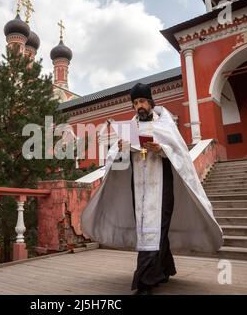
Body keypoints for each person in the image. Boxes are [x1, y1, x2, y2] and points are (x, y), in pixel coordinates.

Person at [81, 83, 223, 295]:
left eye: (142, 102)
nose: (139, 106)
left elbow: (180, 154)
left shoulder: (165, 125)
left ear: (150, 102)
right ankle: (164, 269)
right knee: (150, 230)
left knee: (156, 229)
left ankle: (145, 283)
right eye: (136, 103)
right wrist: (120, 149)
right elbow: (115, 160)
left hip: (161, 188)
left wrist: (161, 148)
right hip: (138, 188)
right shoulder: (129, 128)